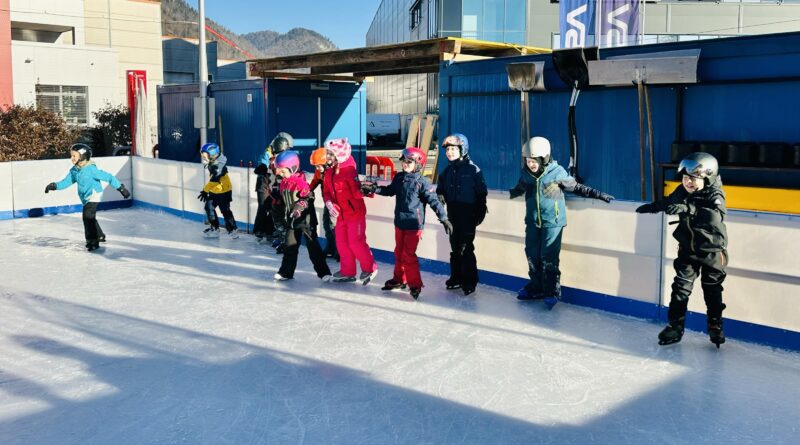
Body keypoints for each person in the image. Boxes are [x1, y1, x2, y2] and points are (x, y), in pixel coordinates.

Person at [636, 152, 728, 348]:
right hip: (688, 250)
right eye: (685, 178)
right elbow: (670, 202)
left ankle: (715, 325)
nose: (688, 182)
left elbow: (714, 217)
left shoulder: (715, 194)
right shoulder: (682, 191)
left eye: (693, 179)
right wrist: (652, 207)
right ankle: (675, 326)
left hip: (712, 252)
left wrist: (688, 209)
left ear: (708, 177)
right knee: (680, 289)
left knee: (712, 291)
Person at [509, 136, 613, 308]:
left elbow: (576, 187)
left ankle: (551, 290)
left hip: (553, 221)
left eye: (534, 161)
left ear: (544, 158)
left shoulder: (557, 172)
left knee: (549, 256)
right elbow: (520, 187)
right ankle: (536, 287)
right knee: (532, 254)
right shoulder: (526, 175)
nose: (531, 164)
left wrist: (597, 194)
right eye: (528, 161)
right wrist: (510, 193)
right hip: (533, 221)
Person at [362, 147, 453, 300]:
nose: (405, 164)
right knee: (398, 252)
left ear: (418, 164)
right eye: (404, 161)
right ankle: (399, 280)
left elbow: (434, 202)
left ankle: (415, 284)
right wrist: (374, 189)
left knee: (408, 255)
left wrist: (444, 218)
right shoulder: (399, 178)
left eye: (409, 162)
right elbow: (389, 190)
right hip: (400, 222)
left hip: (413, 225)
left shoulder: (421, 183)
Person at [44, 143, 130, 251]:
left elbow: (109, 177)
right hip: (84, 197)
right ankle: (100, 235)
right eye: (71, 155)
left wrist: (121, 188)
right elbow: (66, 182)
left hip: (94, 194)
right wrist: (55, 186)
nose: (72, 158)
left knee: (87, 216)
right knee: (90, 217)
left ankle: (92, 241)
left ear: (83, 156)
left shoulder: (91, 169)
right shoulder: (75, 170)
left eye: (74, 156)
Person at [436, 133, 488, 296]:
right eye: (448, 149)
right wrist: (440, 194)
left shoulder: (473, 170)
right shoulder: (446, 171)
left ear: (462, 149)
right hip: (453, 212)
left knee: (465, 247)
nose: (449, 152)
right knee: (455, 246)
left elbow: (481, 192)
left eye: (453, 149)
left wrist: (480, 210)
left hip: (468, 213)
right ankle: (456, 277)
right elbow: (440, 188)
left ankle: (469, 280)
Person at [322, 137, 378, 284]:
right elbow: (326, 191)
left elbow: (356, 193)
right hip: (341, 215)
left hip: (355, 213)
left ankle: (370, 268)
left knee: (356, 242)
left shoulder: (348, 170)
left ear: (339, 155)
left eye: (330, 154)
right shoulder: (328, 173)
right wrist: (329, 203)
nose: (327, 156)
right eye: (327, 153)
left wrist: (366, 190)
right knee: (341, 243)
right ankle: (348, 271)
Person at [272, 151, 332, 282]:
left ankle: (324, 273)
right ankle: (286, 272)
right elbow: (284, 199)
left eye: (282, 171)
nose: (279, 174)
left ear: (293, 168)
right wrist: (277, 202)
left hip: (306, 221)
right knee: (289, 247)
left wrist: (299, 207)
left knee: (313, 247)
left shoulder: (300, 182)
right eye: (278, 171)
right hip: (292, 221)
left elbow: (308, 197)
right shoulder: (284, 182)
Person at [197, 142, 239, 238]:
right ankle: (215, 228)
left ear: (212, 155)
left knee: (225, 211)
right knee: (208, 207)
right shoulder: (213, 161)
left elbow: (214, 180)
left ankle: (233, 229)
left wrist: (205, 191)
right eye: (203, 156)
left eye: (205, 156)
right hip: (215, 190)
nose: (204, 158)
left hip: (224, 191)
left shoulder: (219, 165)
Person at [309, 147, 339, 260]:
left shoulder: (335, 171)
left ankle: (339, 250)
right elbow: (315, 181)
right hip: (328, 202)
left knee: (334, 226)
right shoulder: (319, 171)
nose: (317, 168)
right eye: (315, 166)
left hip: (336, 203)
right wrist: (308, 189)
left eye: (318, 166)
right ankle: (330, 247)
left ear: (326, 162)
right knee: (326, 224)